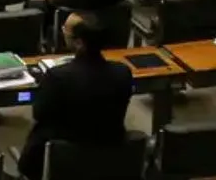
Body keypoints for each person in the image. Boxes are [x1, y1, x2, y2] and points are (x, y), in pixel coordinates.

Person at [18, 12, 134, 180]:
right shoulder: (123, 72)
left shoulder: (57, 76)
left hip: (66, 154)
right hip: (109, 148)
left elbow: (39, 113)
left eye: (66, 30)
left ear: (79, 43)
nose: (63, 32)